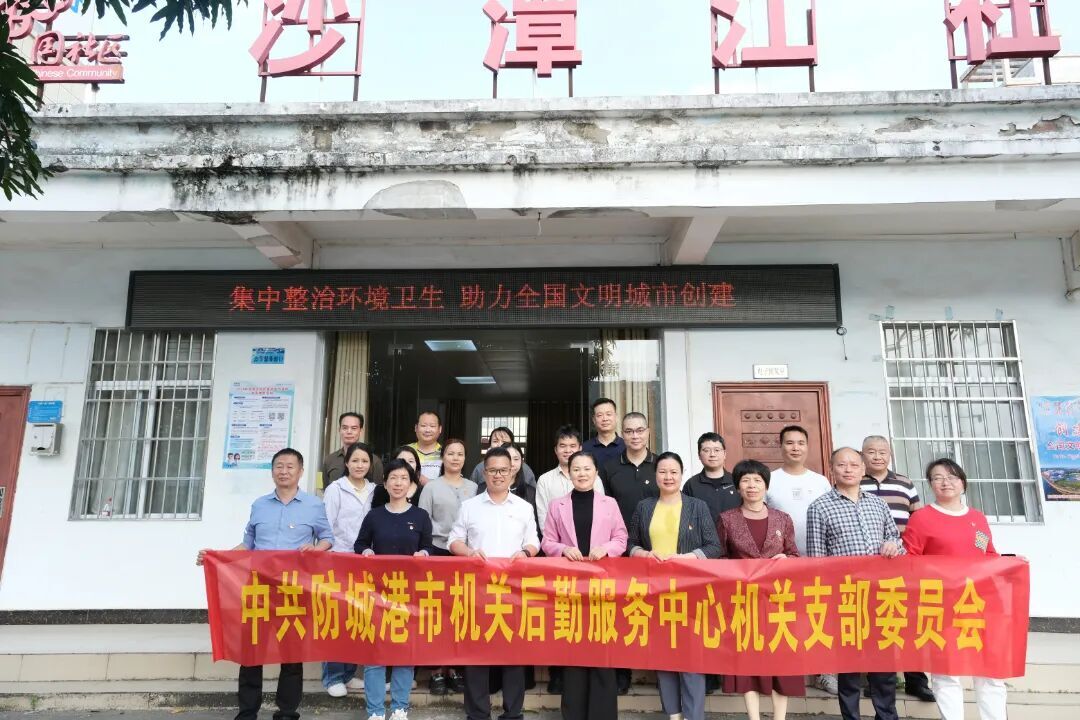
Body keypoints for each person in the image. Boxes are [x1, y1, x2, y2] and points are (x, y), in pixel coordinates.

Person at [196, 448, 332, 720]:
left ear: (300, 472)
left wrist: (317, 549)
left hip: (293, 589)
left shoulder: (313, 505)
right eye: (279, 466)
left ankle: (287, 712)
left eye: (290, 466)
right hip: (258, 587)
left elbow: (328, 538)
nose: (284, 471)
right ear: (272, 471)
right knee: (251, 652)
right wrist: (215, 557)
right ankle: (247, 712)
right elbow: (248, 543)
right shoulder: (259, 505)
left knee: (291, 654)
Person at [903, 458, 1005, 720]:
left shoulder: (977, 518)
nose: (945, 482)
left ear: (963, 483)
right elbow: (910, 561)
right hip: (940, 605)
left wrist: (1013, 563)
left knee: (990, 671)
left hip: (978, 604)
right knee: (946, 672)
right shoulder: (921, 518)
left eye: (952, 477)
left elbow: (988, 554)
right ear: (930, 484)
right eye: (937, 478)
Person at [806, 447, 904, 720]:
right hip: (845, 598)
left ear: (863, 470)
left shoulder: (878, 504)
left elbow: (897, 540)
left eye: (853, 465)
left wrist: (893, 545)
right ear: (831, 470)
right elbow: (817, 560)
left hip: (881, 596)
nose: (848, 469)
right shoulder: (819, 507)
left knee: (884, 665)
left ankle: (887, 715)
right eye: (841, 465)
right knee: (849, 667)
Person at [628, 451, 722, 720]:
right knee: (664, 656)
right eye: (662, 472)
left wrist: (687, 557)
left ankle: (694, 716)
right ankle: (673, 714)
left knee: (691, 658)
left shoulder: (697, 506)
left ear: (682, 475)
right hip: (655, 592)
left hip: (691, 592)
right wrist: (643, 554)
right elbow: (630, 543)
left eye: (673, 472)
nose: (668, 477)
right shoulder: (644, 507)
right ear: (655, 475)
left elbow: (714, 546)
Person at [449, 447, 540, 720]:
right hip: (478, 590)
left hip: (514, 591)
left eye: (503, 470)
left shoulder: (524, 507)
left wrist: (525, 553)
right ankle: (478, 713)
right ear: (484, 473)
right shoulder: (470, 506)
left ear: (512, 473)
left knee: (514, 654)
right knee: (476, 654)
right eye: (492, 470)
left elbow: (534, 541)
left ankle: (513, 713)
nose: (498, 475)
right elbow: (453, 541)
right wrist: (469, 552)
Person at [541, 450, 627, 720]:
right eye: (576, 469)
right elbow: (547, 541)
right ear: (569, 473)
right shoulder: (557, 505)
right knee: (574, 648)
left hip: (603, 585)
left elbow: (621, 538)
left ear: (596, 472)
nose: (582, 474)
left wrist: (606, 549)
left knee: (602, 647)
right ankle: (574, 713)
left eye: (587, 468)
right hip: (571, 587)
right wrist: (564, 549)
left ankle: (602, 714)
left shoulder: (609, 504)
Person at [715, 459, 803, 720]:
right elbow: (719, 558)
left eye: (757, 480)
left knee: (781, 659)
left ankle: (779, 717)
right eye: (745, 481)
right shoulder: (727, 519)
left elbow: (794, 554)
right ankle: (753, 717)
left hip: (778, 600)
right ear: (737, 487)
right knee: (747, 659)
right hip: (743, 600)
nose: (751, 486)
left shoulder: (782, 519)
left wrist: (787, 559)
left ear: (766, 485)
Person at [354, 459, 435, 720]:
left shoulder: (420, 516)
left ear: (411, 485)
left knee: (404, 652)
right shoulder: (375, 515)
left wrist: (424, 554)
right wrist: (366, 551)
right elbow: (360, 543)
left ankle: (400, 708)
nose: (398, 483)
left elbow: (428, 547)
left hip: (409, 593)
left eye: (403, 478)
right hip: (377, 593)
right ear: (385, 483)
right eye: (393, 478)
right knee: (375, 653)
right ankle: (376, 711)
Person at [860, 435, 933, 703]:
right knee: (875, 623)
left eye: (882, 451)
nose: (877, 456)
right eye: (871, 451)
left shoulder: (904, 483)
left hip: (903, 562)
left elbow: (919, 520)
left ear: (890, 454)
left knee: (909, 622)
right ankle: (877, 681)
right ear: (862, 455)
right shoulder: (855, 481)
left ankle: (917, 681)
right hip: (868, 565)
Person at [764, 425, 834, 695]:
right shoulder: (770, 480)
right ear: (780, 446)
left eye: (800, 443)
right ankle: (785, 670)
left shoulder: (821, 481)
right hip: (782, 560)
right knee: (785, 616)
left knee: (820, 616)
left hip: (818, 558)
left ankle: (824, 672)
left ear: (807, 446)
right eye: (790, 442)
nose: (795, 447)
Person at [321, 442, 388, 696]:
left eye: (364, 461)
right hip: (339, 559)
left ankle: (349, 675)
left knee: (358, 618)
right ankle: (333, 677)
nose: (360, 465)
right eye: (355, 460)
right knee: (338, 619)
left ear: (371, 465)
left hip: (366, 561)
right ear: (346, 463)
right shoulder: (335, 489)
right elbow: (326, 526)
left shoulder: (375, 490)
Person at [599, 411, 657, 695]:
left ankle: (660, 667)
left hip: (655, 549)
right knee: (620, 610)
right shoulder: (609, 467)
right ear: (622, 435)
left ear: (648, 432)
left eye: (640, 430)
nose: (635, 436)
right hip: (620, 550)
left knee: (656, 608)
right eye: (629, 431)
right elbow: (603, 507)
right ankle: (622, 671)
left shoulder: (660, 464)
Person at [416, 439, 476, 695]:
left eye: (460, 454)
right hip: (438, 551)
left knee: (460, 612)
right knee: (436, 613)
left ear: (465, 458)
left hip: (464, 555)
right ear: (443, 457)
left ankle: (455, 668)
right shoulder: (431, 487)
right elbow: (423, 521)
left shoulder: (474, 487)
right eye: (451, 453)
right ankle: (436, 671)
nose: (455, 458)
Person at [682, 431, 739, 694]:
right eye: (706, 450)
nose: (712, 454)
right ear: (699, 455)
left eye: (716, 450)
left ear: (725, 453)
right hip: (702, 560)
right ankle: (709, 675)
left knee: (732, 618)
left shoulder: (737, 481)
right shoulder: (692, 485)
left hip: (734, 560)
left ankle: (732, 674)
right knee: (705, 619)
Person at [536, 425, 606, 538]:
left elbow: (601, 513)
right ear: (556, 449)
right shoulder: (544, 480)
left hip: (591, 543)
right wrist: (557, 545)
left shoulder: (593, 478)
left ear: (580, 448)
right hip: (557, 545)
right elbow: (543, 517)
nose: (567, 450)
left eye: (572, 446)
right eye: (562, 446)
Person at [322, 412, 384, 490]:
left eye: (354, 428)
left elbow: (378, 491)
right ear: (339, 430)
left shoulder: (374, 461)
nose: (349, 432)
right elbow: (326, 489)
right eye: (345, 428)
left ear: (361, 431)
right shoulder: (330, 460)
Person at [469, 426, 536, 488]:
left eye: (504, 442)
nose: (500, 444)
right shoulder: (480, 468)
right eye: (495, 441)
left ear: (511, 444)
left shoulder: (525, 469)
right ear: (490, 445)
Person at [583, 398, 625, 469]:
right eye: (600, 415)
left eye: (608, 414)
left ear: (616, 417)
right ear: (594, 420)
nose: (605, 419)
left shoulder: (627, 447)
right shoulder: (585, 448)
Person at [408, 410, 444, 483]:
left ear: (440, 429)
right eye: (423, 426)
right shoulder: (405, 451)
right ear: (416, 428)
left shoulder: (446, 452)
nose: (427, 430)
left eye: (432, 426)